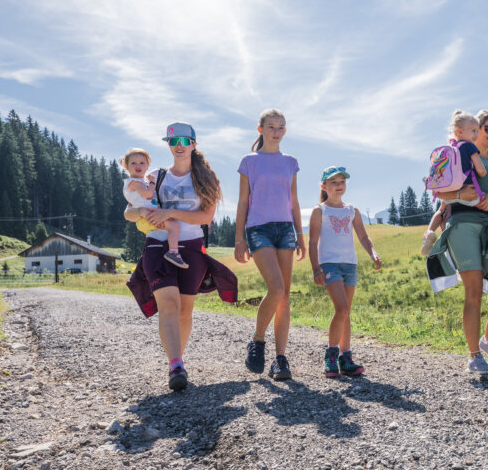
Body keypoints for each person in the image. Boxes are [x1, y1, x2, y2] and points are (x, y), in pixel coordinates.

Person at [123, 122, 224, 391]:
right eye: (172, 141)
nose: (178, 146)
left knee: (185, 310)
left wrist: (169, 213)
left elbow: (206, 217)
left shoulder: (207, 179)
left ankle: (177, 357)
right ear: (168, 145)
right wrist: (141, 215)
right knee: (168, 304)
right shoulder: (155, 176)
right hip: (157, 246)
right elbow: (129, 211)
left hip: (192, 248)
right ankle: (176, 364)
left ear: (193, 143)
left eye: (183, 140)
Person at [426, 110, 488, 374]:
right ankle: (474, 356)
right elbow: (437, 189)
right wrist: (459, 192)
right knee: (473, 292)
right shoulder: (456, 155)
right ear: (476, 129)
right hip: (462, 223)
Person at [235, 109, 305, 380]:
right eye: (271, 126)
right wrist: (239, 238)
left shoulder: (290, 162)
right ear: (260, 129)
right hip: (258, 229)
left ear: (285, 131)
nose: (276, 131)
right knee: (275, 288)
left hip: (285, 228)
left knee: (284, 295)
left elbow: (294, 202)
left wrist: (300, 234)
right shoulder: (249, 161)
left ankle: (280, 359)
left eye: (281, 127)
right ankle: (258, 340)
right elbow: (243, 202)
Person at [309, 166, 382, 377]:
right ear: (324, 186)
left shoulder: (352, 211)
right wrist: (316, 270)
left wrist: (373, 253)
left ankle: (346, 358)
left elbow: (363, 237)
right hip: (329, 265)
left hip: (350, 265)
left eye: (342, 182)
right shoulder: (319, 211)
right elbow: (313, 241)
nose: (338, 186)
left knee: (346, 313)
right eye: (333, 182)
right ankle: (330, 356)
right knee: (341, 309)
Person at [421, 110, 488, 260]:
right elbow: (479, 171)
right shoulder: (468, 150)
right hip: (465, 216)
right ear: (478, 129)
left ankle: (429, 232)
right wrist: (463, 193)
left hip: (482, 224)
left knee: (441, 209)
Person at [121, 148, 187, 269]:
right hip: (147, 217)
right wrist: (152, 183)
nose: (138, 166)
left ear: (147, 165)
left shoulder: (139, 181)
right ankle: (173, 252)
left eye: (142, 163)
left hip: (146, 217)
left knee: (170, 225)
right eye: (133, 163)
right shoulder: (136, 182)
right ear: (126, 166)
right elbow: (148, 194)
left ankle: (166, 253)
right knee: (175, 226)